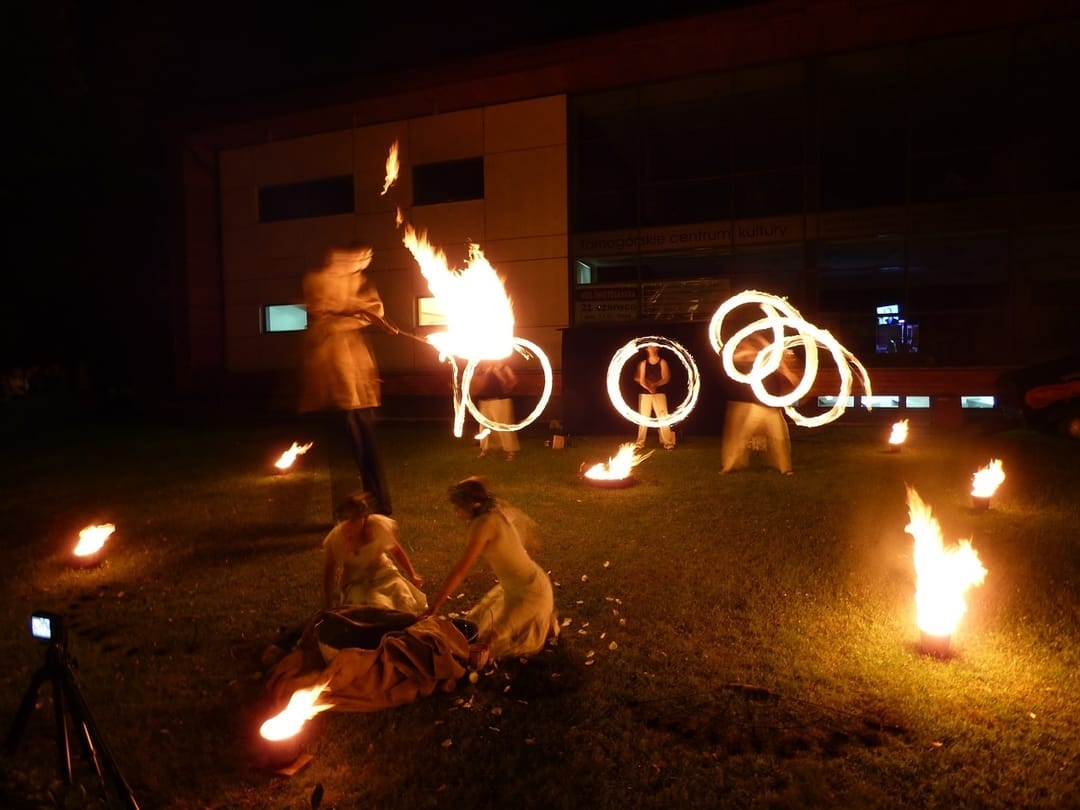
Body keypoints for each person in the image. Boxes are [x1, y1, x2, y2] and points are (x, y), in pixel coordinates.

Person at [300, 242, 400, 515]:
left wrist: (370, 315)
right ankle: (349, 510)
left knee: (368, 447)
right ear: (340, 256)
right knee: (345, 448)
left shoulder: (360, 283)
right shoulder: (318, 281)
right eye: (359, 256)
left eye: (368, 257)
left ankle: (380, 504)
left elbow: (374, 309)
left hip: (358, 386)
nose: (363, 262)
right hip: (336, 385)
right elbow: (322, 310)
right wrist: (354, 309)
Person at [420, 477, 559, 661]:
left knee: (484, 643)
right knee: (476, 621)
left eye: (458, 507)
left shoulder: (482, 525)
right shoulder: (494, 510)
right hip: (515, 587)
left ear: (471, 506)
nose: (456, 511)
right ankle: (534, 619)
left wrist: (435, 605)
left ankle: (537, 616)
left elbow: (461, 570)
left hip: (530, 592)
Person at [322, 492, 427, 613]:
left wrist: (412, 574)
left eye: (354, 519)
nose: (349, 525)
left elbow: (396, 550)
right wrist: (328, 602)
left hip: (384, 574)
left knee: (402, 599)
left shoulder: (377, 526)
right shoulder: (337, 538)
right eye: (345, 519)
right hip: (357, 581)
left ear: (364, 518)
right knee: (372, 606)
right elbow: (329, 570)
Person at [719, 332, 800, 476]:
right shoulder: (751, 357)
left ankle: (786, 468)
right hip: (757, 406)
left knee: (780, 438)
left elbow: (782, 366)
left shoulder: (770, 359)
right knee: (743, 437)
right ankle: (729, 466)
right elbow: (739, 356)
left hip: (773, 407)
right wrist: (757, 340)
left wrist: (790, 375)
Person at [472, 358, 520, 460]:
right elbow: (476, 384)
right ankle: (484, 450)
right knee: (483, 427)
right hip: (484, 401)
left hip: (500, 401)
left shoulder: (503, 368)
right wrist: (484, 374)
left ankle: (510, 451)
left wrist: (499, 375)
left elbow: (512, 382)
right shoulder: (481, 369)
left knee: (503, 426)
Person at [634, 344, 676, 450]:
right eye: (648, 347)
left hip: (660, 394)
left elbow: (666, 378)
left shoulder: (662, 362)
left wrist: (655, 385)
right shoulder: (644, 363)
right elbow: (641, 380)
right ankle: (640, 443)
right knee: (643, 419)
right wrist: (649, 388)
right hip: (645, 394)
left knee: (663, 418)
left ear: (657, 348)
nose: (650, 348)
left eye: (652, 346)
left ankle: (668, 443)